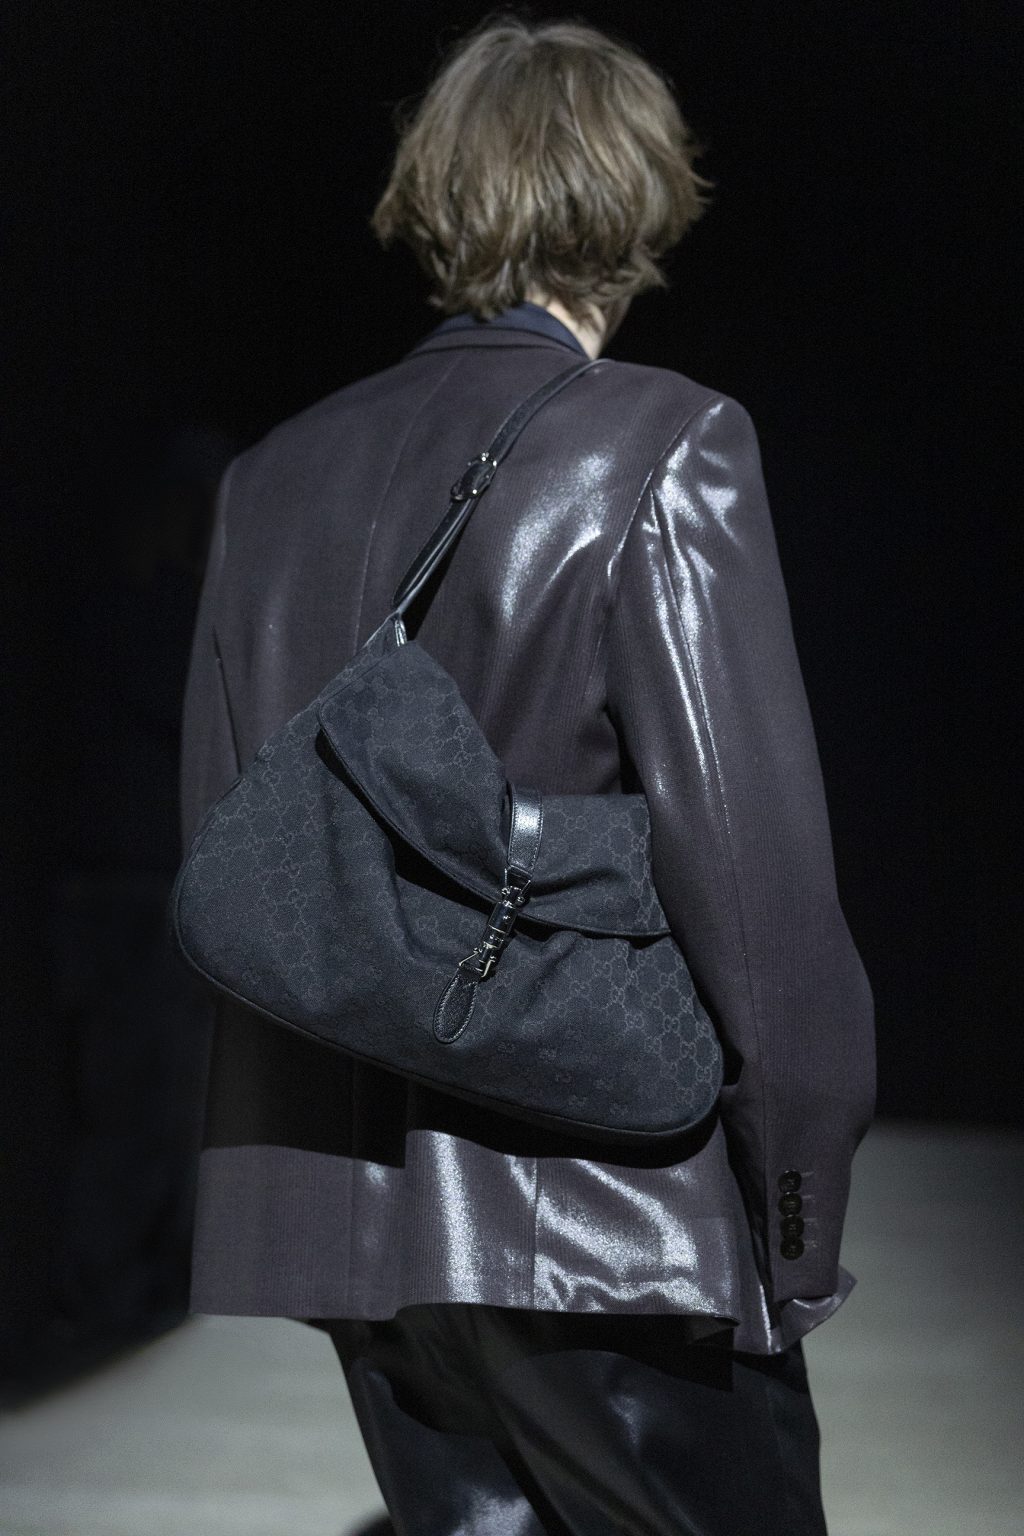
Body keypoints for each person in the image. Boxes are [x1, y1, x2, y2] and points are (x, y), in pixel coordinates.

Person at [180, 16, 876, 1535]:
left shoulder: (269, 480)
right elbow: (751, 882)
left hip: (367, 1240)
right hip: (614, 1220)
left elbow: (240, 867)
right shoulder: (665, 444)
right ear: (638, 194)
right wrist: (796, 1216)